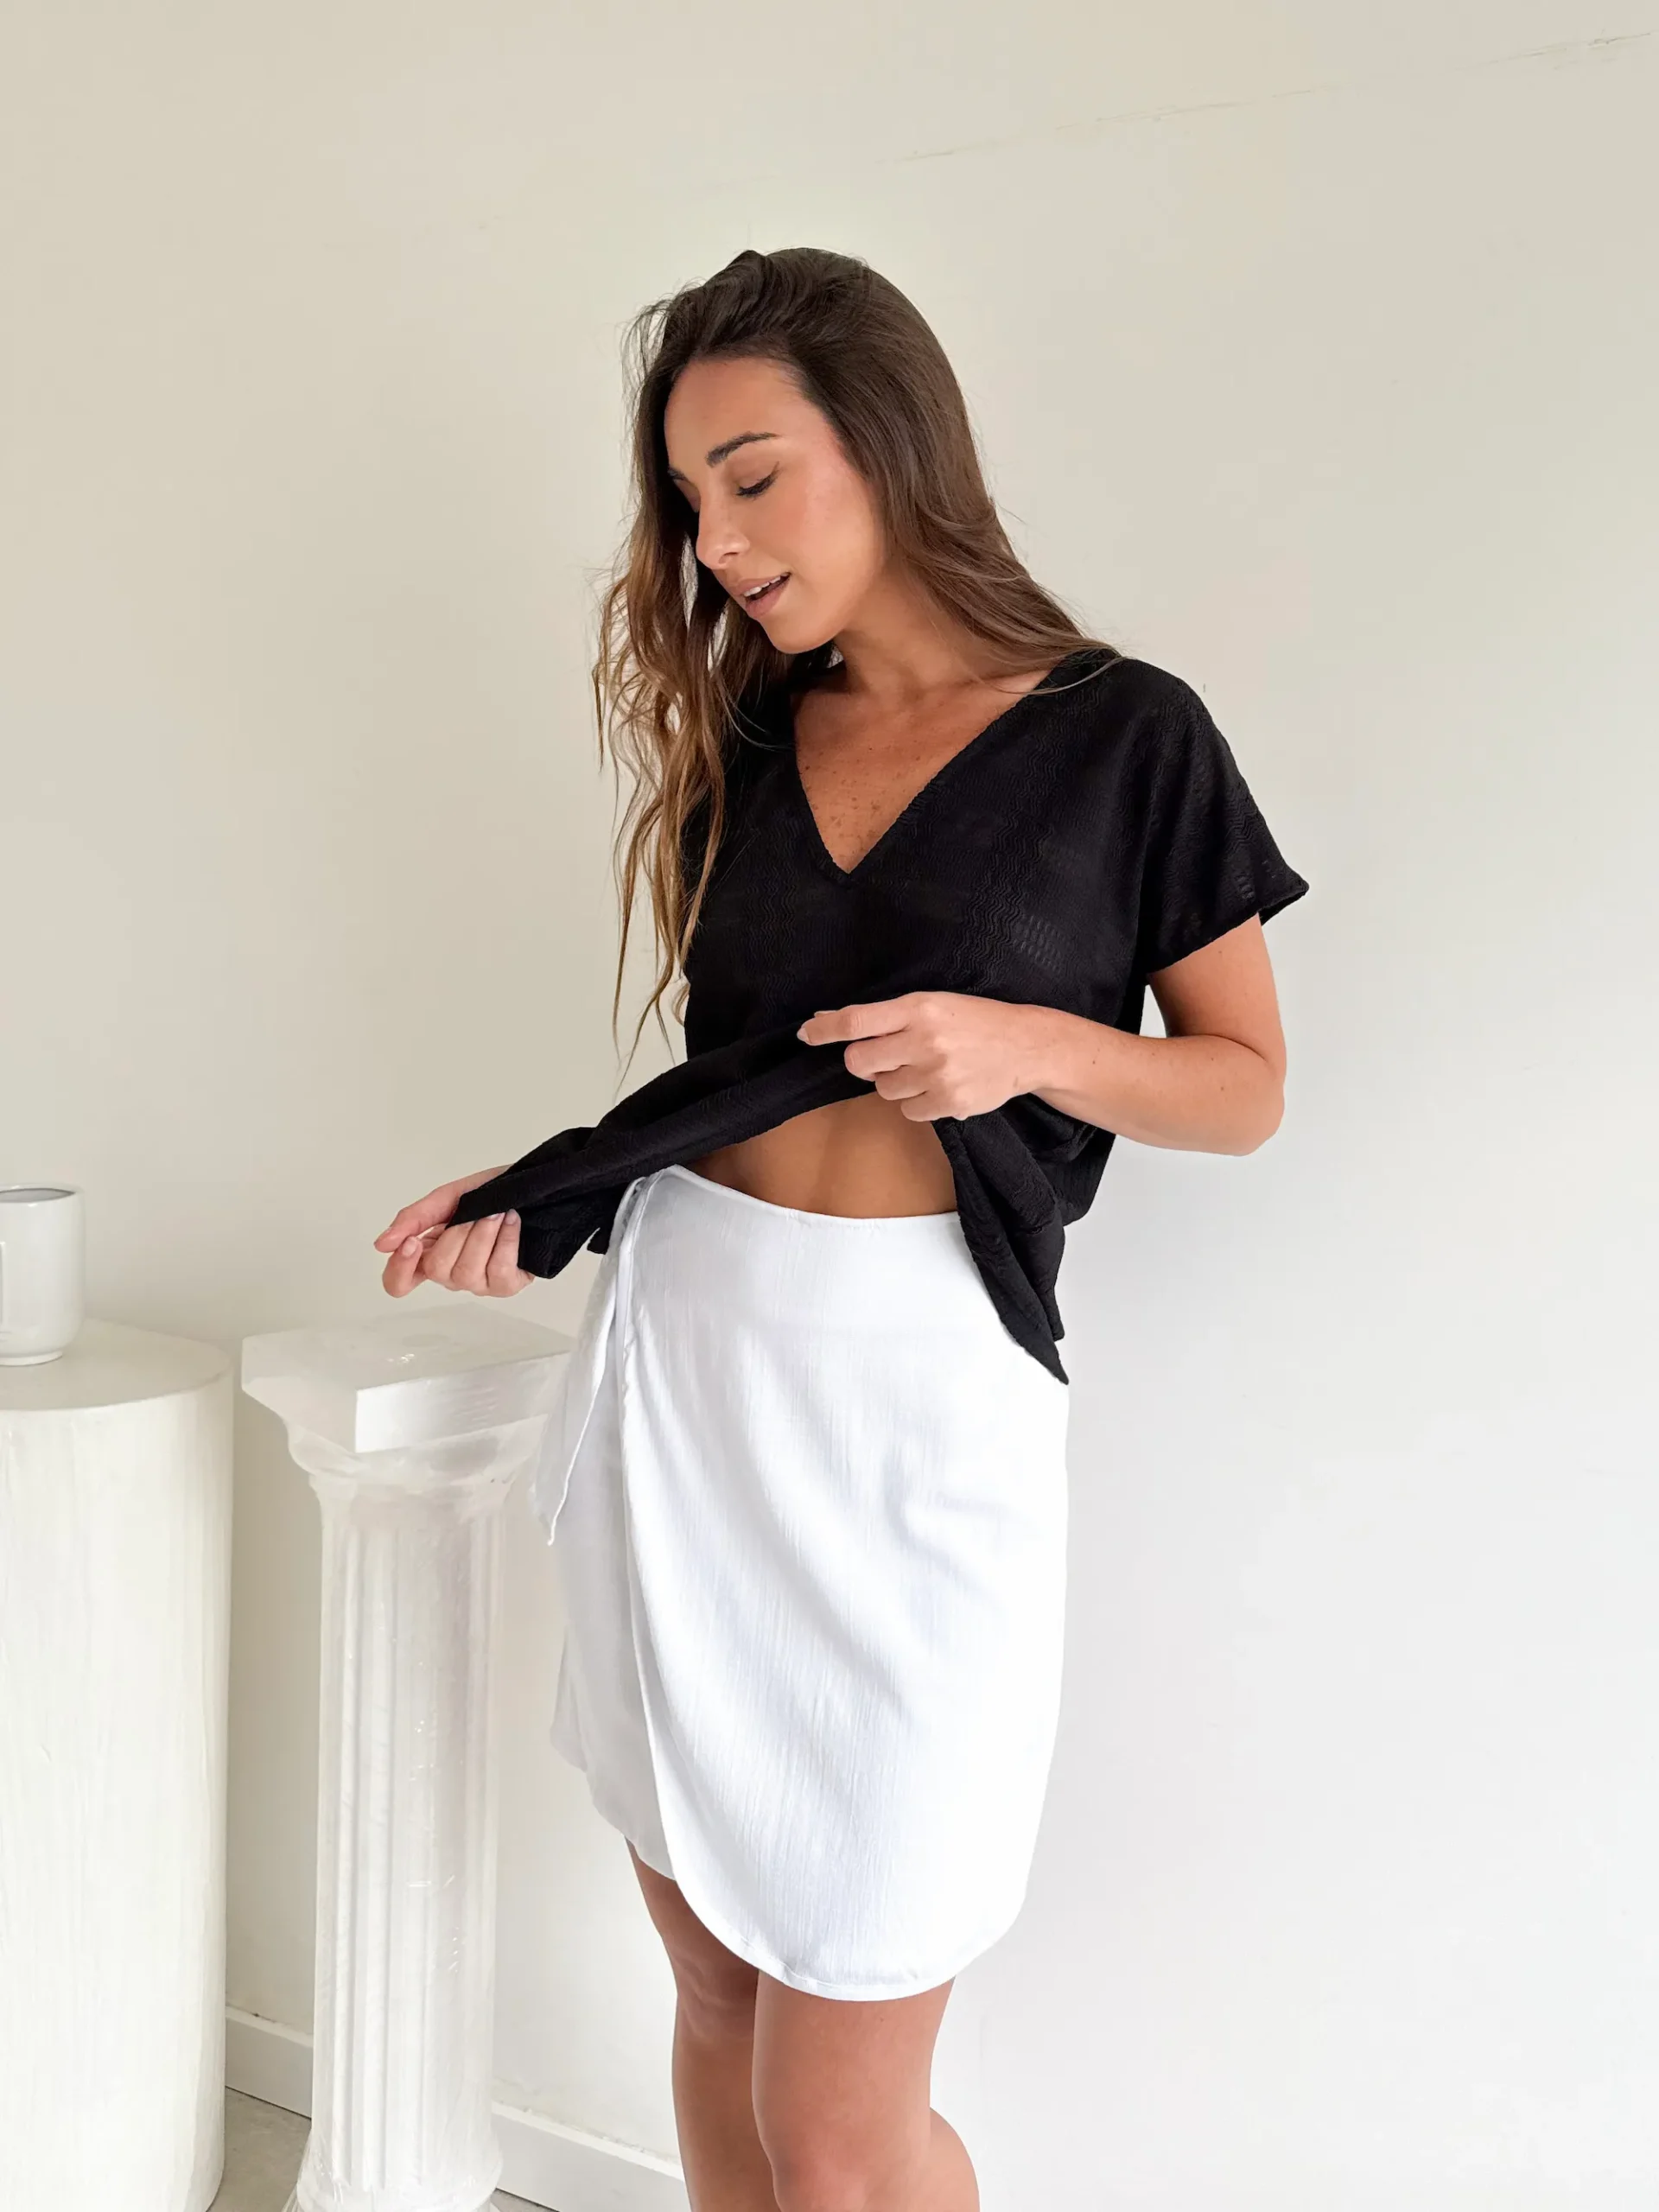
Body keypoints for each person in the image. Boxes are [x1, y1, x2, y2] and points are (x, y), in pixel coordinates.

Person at [373, 246, 1307, 2212]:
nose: (715, 542)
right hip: (688, 1371)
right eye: (687, 499)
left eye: (752, 476)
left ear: (888, 444)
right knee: (717, 1996)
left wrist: (1030, 1043)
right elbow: (739, 1077)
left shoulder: (1129, 737)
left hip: (917, 1418)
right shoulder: (746, 742)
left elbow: (1243, 1082)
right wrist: (541, 1191)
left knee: (843, 2123)